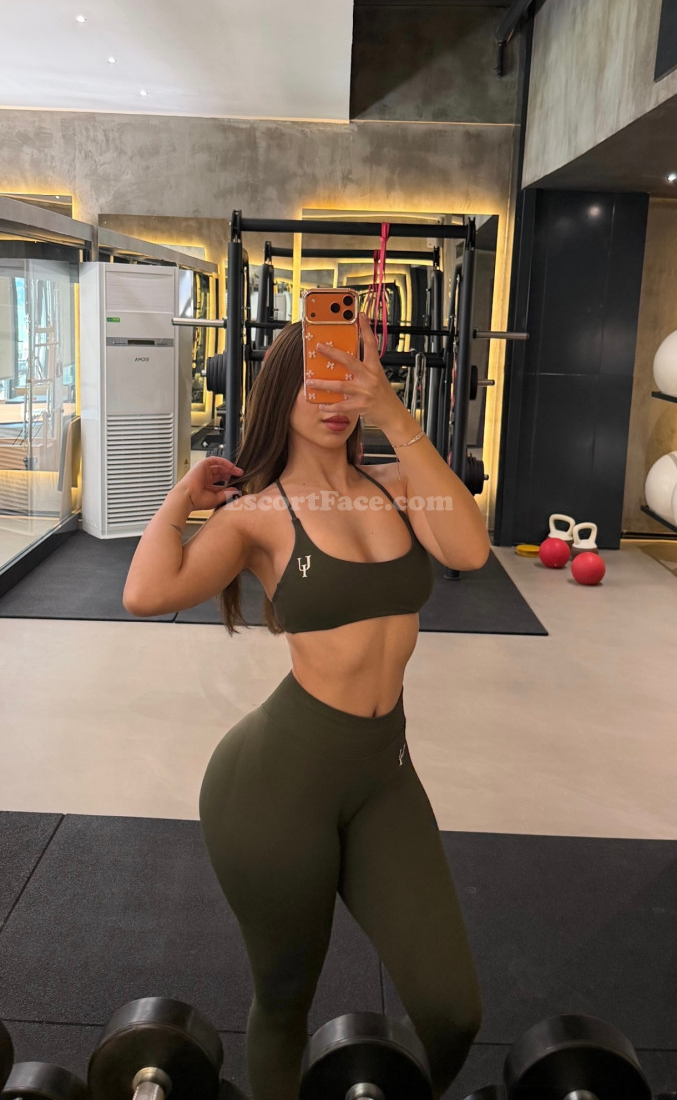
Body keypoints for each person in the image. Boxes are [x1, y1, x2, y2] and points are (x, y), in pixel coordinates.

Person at [124, 313, 490, 1100]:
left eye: (348, 382)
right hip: (272, 789)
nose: (334, 402)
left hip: (384, 775)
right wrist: (182, 497)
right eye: (314, 384)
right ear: (279, 394)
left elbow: (467, 550)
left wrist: (394, 415)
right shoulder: (257, 515)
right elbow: (147, 592)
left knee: (452, 1010)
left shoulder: (398, 487)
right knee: (285, 1002)